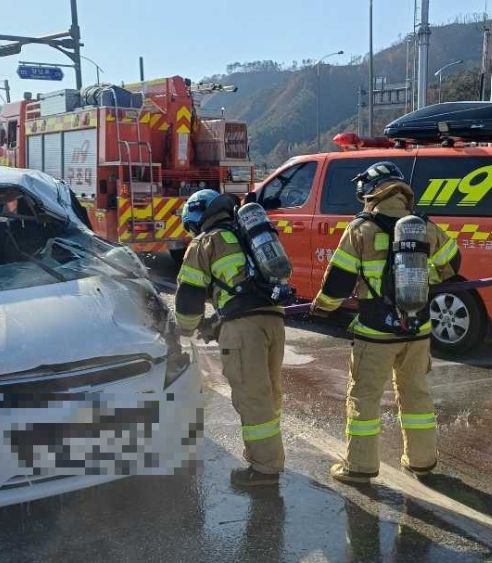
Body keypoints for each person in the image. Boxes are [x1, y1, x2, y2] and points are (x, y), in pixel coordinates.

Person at [310, 161, 461, 484]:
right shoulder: (424, 225)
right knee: (416, 395)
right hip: (418, 331)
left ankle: (360, 466)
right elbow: (453, 264)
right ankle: (421, 461)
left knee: (364, 399)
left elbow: (338, 281)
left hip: (375, 333)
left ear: (369, 192)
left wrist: (322, 307)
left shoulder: (361, 228)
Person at [174, 189, 286, 488]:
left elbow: (189, 297)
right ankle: (268, 456)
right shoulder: (246, 236)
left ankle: (264, 470)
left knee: (252, 397)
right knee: (269, 392)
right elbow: (243, 289)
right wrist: (215, 323)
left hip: (244, 328)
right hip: (273, 319)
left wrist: (183, 332)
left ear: (197, 216)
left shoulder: (205, 242)